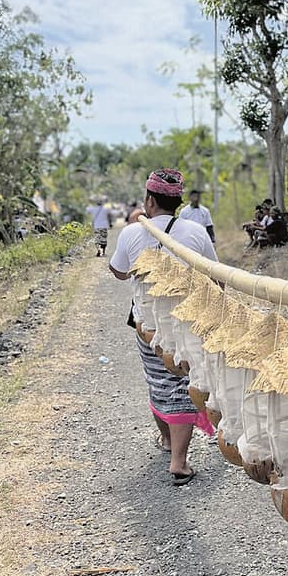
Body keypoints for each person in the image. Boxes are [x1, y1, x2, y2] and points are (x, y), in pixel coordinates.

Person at [109, 169, 218, 487]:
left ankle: (171, 447)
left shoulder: (131, 233)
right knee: (185, 384)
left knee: (157, 380)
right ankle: (178, 461)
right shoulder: (195, 231)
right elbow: (215, 274)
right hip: (186, 323)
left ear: (150, 200)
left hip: (147, 325)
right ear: (179, 202)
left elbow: (118, 272)